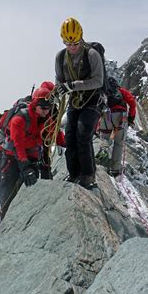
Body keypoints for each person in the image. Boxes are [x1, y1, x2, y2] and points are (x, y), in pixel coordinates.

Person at [0, 87, 64, 221]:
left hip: (31, 155)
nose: (46, 110)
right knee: (9, 190)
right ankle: (4, 221)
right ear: (35, 105)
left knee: (31, 186)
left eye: (48, 107)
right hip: (12, 155)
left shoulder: (46, 120)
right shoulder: (20, 119)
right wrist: (25, 167)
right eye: (43, 107)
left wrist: (72, 143)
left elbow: (56, 135)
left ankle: (28, 219)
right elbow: (18, 145)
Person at [55, 17, 105, 187]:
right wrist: (59, 90)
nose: (72, 47)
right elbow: (59, 80)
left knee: (83, 135)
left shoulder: (91, 54)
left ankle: (88, 175)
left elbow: (98, 81)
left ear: (81, 38)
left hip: (92, 101)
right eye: (68, 44)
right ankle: (74, 173)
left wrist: (72, 86)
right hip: (75, 102)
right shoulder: (61, 57)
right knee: (70, 137)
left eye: (75, 43)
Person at [96, 77, 137, 177]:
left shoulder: (103, 92)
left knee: (105, 138)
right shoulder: (121, 91)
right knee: (118, 143)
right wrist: (131, 119)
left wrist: (96, 125)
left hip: (106, 117)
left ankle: (103, 155)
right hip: (119, 118)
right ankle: (115, 169)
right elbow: (132, 103)